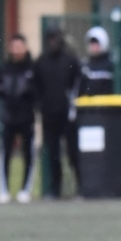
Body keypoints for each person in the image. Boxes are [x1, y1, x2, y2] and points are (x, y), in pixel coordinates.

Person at [34, 27, 82, 198]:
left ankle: (80, 186)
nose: (53, 42)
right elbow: (37, 87)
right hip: (49, 115)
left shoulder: (71, 61)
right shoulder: (41, 62)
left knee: (73, 152)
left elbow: (78, 85)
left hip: (68, 115)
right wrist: (40, 106)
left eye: (56, 39)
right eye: (51, 39)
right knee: (53, 154)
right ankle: (55, 188)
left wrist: (73, 106)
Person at [0, 34, 38, 203]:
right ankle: (4, 190)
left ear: (25, 48)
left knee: (28, 153)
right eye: (14, 46)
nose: (17, 50)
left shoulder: (32, 69)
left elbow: (36, 91)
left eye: (20, 46)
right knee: (5, 153)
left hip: (26, 117)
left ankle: (25, 190)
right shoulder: (4, 68)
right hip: (8, 118)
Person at [79, 26, 114, 97]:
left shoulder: (111, 65)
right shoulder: (85, 65)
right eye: (92, 43)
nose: (94, 46)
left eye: (96, 43)